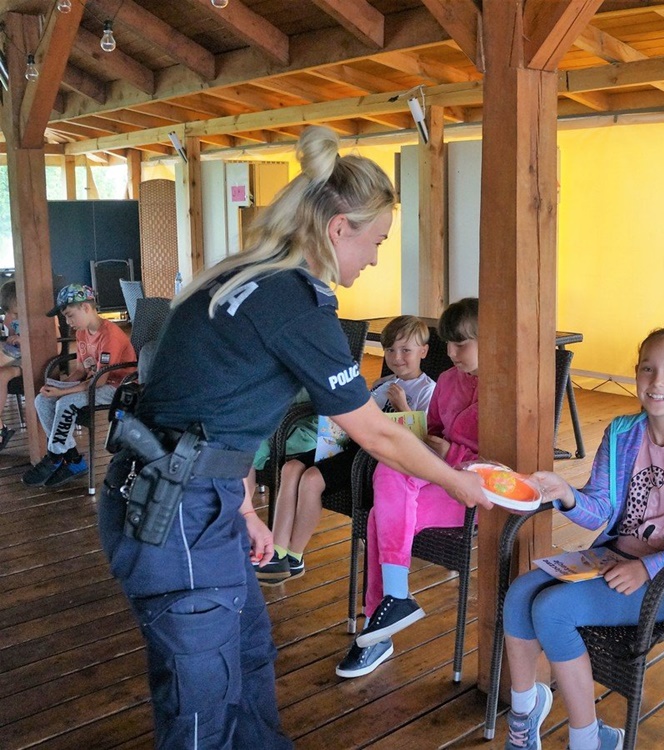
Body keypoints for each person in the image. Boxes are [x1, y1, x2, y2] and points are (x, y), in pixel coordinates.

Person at [96, 126, 490, 750]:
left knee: (249, 657)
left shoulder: (245, 277)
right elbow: (377, 434)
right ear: (340, 230)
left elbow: (214, 405)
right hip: (178, 513)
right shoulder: (296, 303)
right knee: (203, 707)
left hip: (193, 497)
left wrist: (243, 504)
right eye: (378, 241)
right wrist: (458, 482)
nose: (377, 257)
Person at [502, 328, 664, 750]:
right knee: (520, 592)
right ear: (636, 374)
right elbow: (601, 508)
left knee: (554, 610)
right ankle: (525, 713)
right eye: (647, 369)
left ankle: (587, 740)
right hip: (613, 559)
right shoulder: (622, 433)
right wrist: (566, 493)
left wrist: (646, 568)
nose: (657, 382)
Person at [336, 297, 479, 679]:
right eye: (448, 344)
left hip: (478, 494)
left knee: (380, 509)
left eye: (461, 344)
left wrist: (453, 451)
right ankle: (383, 619)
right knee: (383, 496)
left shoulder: (507, 391)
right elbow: (429, 431)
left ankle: (384, 620)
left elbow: (508, 462)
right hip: (438, 481)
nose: (451, 353)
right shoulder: (449, 381)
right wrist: (428, 443)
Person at [255, 314, 436, 584]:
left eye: (405, 350)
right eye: (390, 350)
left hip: (374, 459)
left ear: (423, 351)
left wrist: (403, 408)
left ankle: (295, 555)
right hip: (349, 446)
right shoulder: (382, 385)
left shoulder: (427, 389)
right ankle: (277, 551)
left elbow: (419, 441)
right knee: (291, 468)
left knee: (312, 479)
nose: (397, 357)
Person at [22, 284, 136, 487]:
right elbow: (81, 371)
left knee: (66, 402)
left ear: (86, 307)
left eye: (70, 315)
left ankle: (55, 456)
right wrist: (56, 387)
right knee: (42, 400)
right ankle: (73, 459)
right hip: (96, 382)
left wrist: (63, 392)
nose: (68, 322)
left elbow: (100, 381)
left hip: (118, 387)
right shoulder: (82, 333)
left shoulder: (110, 335)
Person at [0, 279, 21, 452]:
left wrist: (25, 340)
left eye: (15, 313)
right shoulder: (13, 318)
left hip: (33, 360)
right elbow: (12, 337)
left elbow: (56, 345)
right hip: (16, 356)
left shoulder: (42, 317)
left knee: (1, 375)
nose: (12, 317)